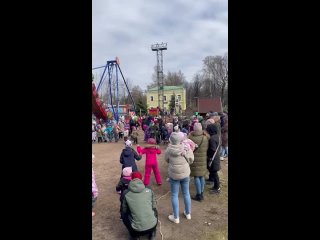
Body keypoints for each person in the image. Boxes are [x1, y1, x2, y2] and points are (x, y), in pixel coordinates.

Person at [165, 132, 194, 224]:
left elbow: (167, 160)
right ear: (181, 139)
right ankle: (188, 213)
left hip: (174, 175)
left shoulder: (169, 149)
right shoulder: (186, 147)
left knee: (174, 195)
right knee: (186, 193)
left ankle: (176, 217)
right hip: (185, 173)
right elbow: (191, 160)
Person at [121, 172, 158, 240]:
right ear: (141, 179)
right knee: (154, 209)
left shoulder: (126, 193)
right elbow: (154, 206)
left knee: (123, 214)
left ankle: (134, 235)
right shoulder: (149, 190)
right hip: (153, 225)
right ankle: (152, 232)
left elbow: (124, 210)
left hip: (136, 230)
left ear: (131, 179)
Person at [188, 123, 209, 202]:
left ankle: (198, 194)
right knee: (202, 176)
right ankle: (201, 193)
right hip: (203, 159)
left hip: (195, 159)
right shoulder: (205, 137)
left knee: (196, 176)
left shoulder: (191, 138)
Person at [206, 124, 222, 194]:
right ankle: (216, 186)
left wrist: (208, 156)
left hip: (213, 159)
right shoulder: (217, 136)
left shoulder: (212, 138)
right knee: (214, 173)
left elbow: (212, 149)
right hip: (216, 157)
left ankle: (217, 188)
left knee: (214, 173)